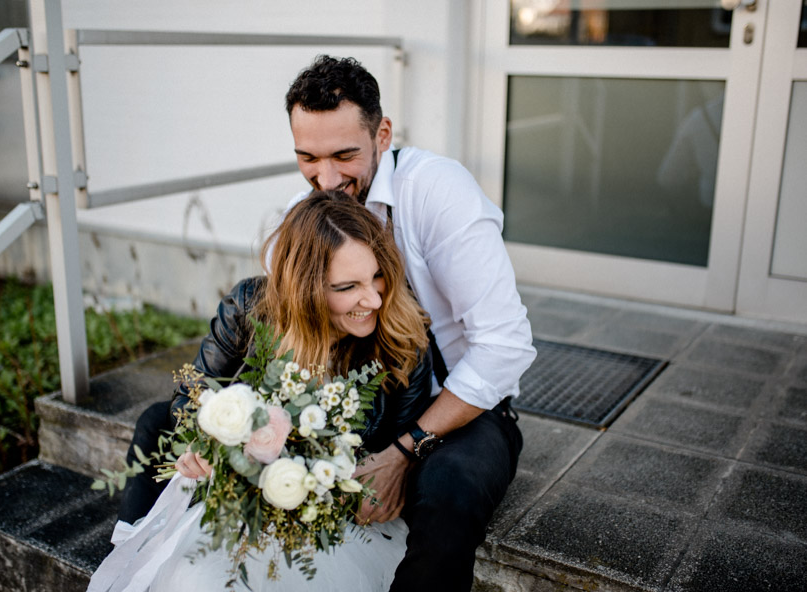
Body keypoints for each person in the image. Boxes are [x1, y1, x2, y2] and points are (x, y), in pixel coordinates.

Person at [92, 191, 434, 591]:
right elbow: (194, 394)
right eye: (347, 286)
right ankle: (130, 556)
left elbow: (390, 461)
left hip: (332, 510)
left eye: (378, 275)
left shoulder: (400, 336)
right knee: (157, 428)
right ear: (305, 288)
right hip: (246, 492)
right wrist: (206, 445)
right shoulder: (248, 308)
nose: (374, 298)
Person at [283, 55, 535, 591]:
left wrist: (404, 450)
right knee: (162, 422)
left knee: (448, 489)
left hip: (464, 406)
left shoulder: (437, 189)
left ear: (382, 135)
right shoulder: (304, 212)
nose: (324, 180)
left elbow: (505, 346)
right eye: (307, 157)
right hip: (358, 399)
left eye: (344, 155)